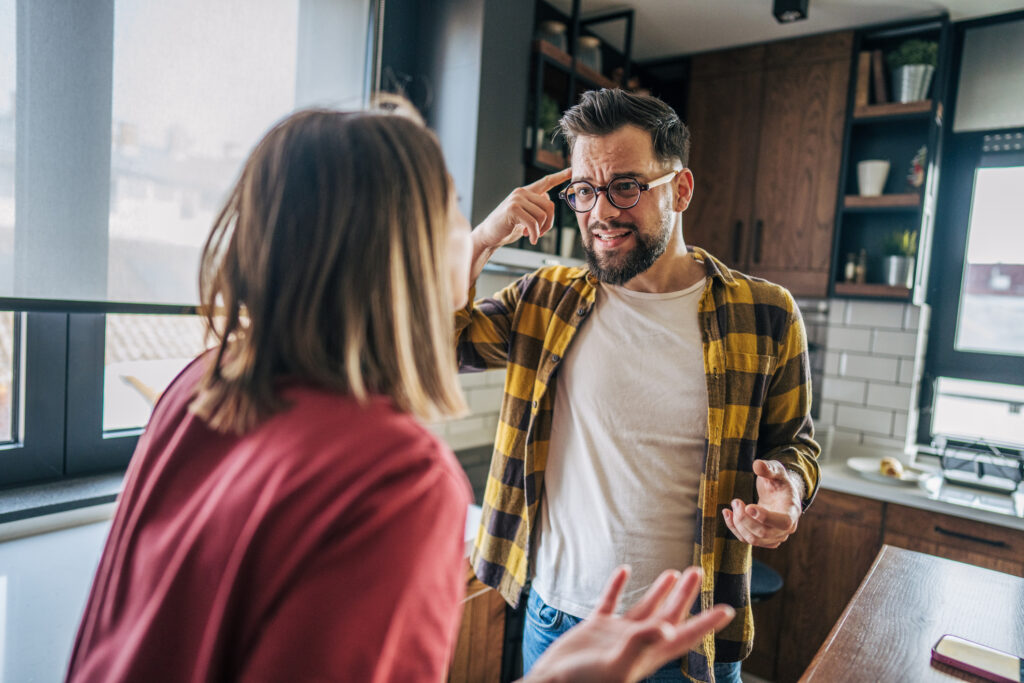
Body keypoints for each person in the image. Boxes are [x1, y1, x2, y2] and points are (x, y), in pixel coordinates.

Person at [64, 101, 734, 683]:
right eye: (455, 217)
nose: (469, 238)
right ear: (404, 249)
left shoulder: (201, 385)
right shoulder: (395, 479)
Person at [458, 88, 821, 683]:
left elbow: (796, 446)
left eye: (625, 186)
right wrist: (481, 240)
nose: (599, 212)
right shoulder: (546, 300)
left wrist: (786, 494)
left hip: (683, 642)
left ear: (679, 189)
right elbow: (437, 341)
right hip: (554, 621)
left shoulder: (765, 313)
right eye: (583, 190)